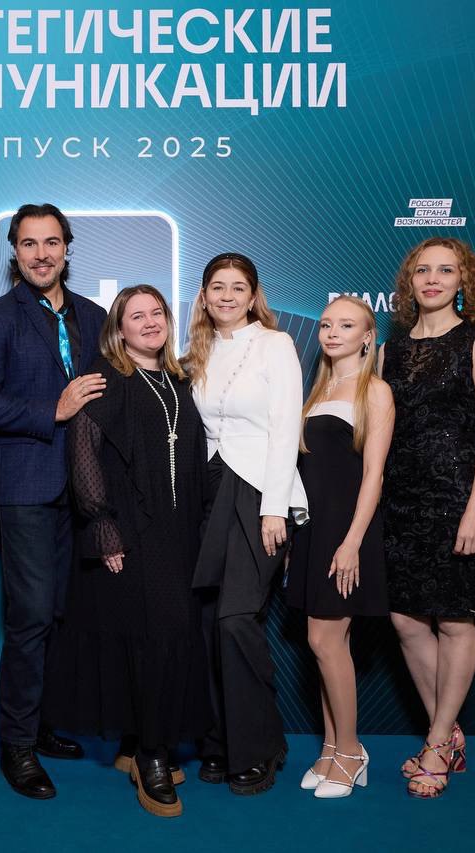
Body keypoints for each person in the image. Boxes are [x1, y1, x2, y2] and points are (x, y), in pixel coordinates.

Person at [0, 203, 108, 799]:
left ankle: (46, 724)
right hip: (26, 488)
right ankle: (17, 746)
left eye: (51, 242)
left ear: (67, 248)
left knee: (68, 615)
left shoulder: (94, 315)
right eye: (28, 243)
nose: (41, 254)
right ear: (14, 253)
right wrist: (53, 410)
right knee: (30, 618)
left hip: (87, 491)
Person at [44, 285, 211, 818]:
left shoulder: (180, 380)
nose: (150, 322)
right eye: (136, 316)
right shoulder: (104, 380)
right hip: (131, 532)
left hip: (180, 530)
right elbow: (83, 455)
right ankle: (151, 756)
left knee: (171, 635)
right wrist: (103, 527)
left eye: (157, 313)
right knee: (148, 637)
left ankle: (138, 741)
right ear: (119, 329)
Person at [379, 237, 475, 798]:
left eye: (445, 270)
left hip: (458, 497)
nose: (432, 279)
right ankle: (448, 733)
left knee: (455, 620)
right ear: (409, 282)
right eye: (422, 270)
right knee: (405, 620)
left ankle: (435, 744)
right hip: (401, 501)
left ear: (462, 281)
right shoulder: (391, 349)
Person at [182, 251, 308, 796]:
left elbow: (286, 427)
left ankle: (260, 746)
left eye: (238, 287)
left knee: (237, 619)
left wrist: (274, 506)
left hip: (258, 490)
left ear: (254, 296)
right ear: (204, 295)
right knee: (209, 622)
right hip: (207, 490)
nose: (227, 296)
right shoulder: (197, 351)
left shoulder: (275, 345)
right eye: (218, 286)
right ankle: (219, 742)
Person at [283, 295, 393, 799]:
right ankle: (331, 749)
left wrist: (352, 542)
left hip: (347, 532)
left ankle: (350, 751)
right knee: (322, 643)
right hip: (314, 530)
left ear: (367, 337)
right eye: (327, 324)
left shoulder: (375, 392)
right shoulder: (318, 390)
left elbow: (374, 475)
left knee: (327, 641)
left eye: (346, 325)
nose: (331, 332)